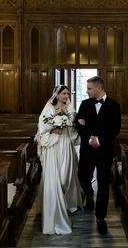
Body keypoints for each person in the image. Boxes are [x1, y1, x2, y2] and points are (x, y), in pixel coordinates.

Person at [75, 76, 121, 235]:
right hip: (87, 149)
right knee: (82, 175)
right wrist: (89, 138)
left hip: (104, 150)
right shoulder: (85, 104)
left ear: (99, 88)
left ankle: (101, 218)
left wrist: (100, 140)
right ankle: (88, 195)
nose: (86, 91)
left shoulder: (114, 106)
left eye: (89, 88)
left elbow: (115, 128)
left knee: (103, 183)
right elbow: (78, 125)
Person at [36, 85, 83, 235]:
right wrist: (53, 128)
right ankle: (56, 205)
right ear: (56, 94)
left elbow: (74, 124)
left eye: (67, 93)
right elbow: (43, 125)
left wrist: (70, 122)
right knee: (56, 178)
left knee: (66, 177)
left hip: (66, 144)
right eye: (63, 93)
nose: (66, 96)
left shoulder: (70, 107)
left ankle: (68, 202)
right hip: (53, 146)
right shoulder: (49, 107)